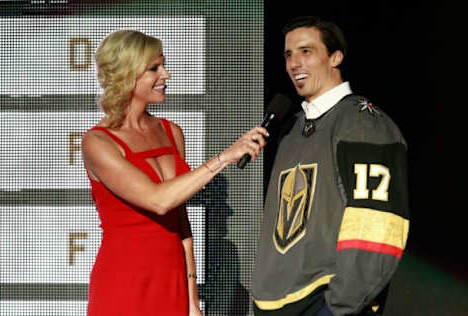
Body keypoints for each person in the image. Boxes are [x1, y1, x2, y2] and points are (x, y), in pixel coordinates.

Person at [82, 30, 268, 316]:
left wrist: (192, 297)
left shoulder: (171, 132)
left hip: (172, 280)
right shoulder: (98, 142)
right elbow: (158, 200)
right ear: (127, 75)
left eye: (164, 65)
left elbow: (180, 219)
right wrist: (224, 158)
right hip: (125, 281)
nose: (166, 75)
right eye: (154, 68)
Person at [252, 16, 410, 316]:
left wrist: (340, 305)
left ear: (335, 57)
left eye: (306, 51)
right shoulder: (290, 129)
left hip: (325, 302)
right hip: (274, 303)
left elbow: (378, 225)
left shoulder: (361, 123)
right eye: (288, 54)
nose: (294, 63)